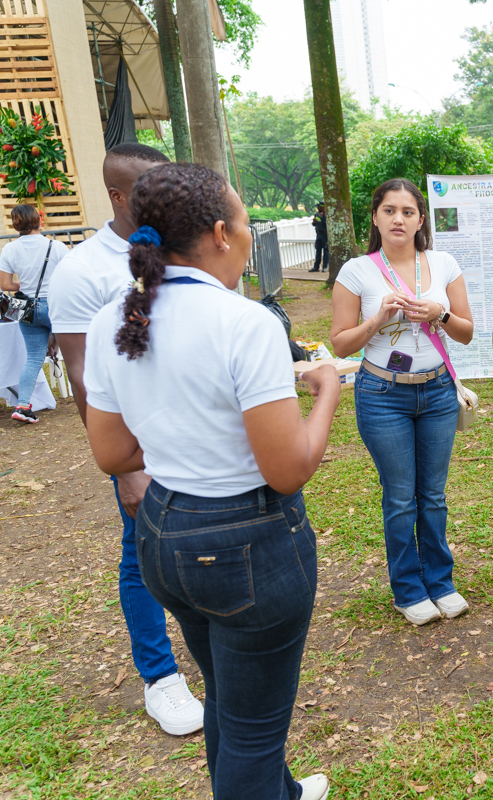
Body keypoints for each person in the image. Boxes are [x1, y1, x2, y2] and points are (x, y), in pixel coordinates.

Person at [82, 162, 337, 800]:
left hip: (164, 534)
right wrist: (328, 390)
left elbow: (113, 454)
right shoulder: (245, 323)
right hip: (249, 543)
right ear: (222, 233)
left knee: (228, 693)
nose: (251, 235)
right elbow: (288, 468)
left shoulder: (114, 318)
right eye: (247, 222)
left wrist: (175, 427)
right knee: (252, 730)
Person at [47, 142, 205, 736]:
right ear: (118, 196)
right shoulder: (82, 270)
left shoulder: (177, 247)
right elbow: (86, 377)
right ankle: (161, 677)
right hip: (140, 446)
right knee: (142, 554)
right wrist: (125, 468)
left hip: (197, 436)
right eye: (148, 188)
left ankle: (213, 653)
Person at [331, 178, 474, 626]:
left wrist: (440, 314)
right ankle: (408, 589)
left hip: (436, 393)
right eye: (389, 210)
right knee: (399, 498)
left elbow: (467, 331)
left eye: (408, 211)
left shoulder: (444, 263)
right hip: (382, 395)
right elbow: (340, 344)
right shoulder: (356, 271)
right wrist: (378, 318)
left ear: (420, 220)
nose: (398, 218)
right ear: (374, 217)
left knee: (432, 495)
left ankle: (441, 582)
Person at [0, 204, 69, 423]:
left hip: (26, 308)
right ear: (39, 220)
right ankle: (94, 397)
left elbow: (5, 284)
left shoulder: (9, 249)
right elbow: (72, 277)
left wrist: (26, 285)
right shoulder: (56, 246)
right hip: (55, 305)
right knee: (76, 355)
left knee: (33, 359)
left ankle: (22, 406)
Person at [308, 202, 328, 273]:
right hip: (318, 234)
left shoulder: (326, 215)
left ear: (322, 207)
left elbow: (326, 224)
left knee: (326, 251)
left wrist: (321, 218)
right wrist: (314, 222)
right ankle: (316, 267)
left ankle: (324, 267)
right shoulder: (316, 214)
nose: (317, 208)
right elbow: (314, 224)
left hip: (325, 235)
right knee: (318, 251)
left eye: (318, 206)